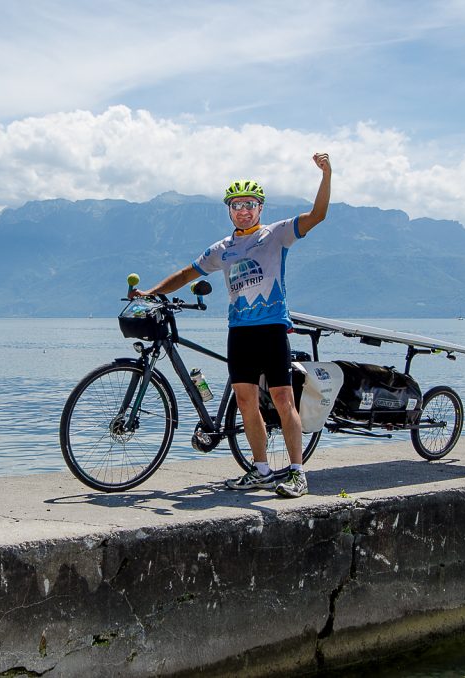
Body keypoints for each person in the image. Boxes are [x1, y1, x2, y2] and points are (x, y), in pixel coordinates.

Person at [132, 152, 332, 498]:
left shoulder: (277, 234)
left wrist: (326, 174)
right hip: (239, 331)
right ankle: (261, 469)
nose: (243, 210)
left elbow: (318, 215)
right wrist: (152, 291)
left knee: (283, 399)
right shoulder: (222, 249)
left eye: (250, 204)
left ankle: (297, 473)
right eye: (237, 205)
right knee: (245, 400)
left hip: (271, 328)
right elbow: (187, 273)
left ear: (260, 208)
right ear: (229, 210)